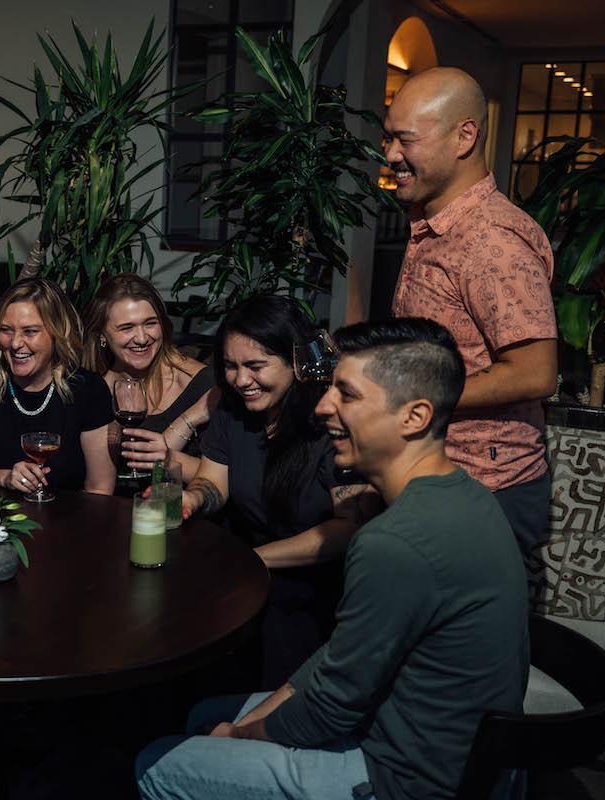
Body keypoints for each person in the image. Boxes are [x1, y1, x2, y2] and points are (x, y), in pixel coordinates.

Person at [137, 318, 530, 800]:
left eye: (347, 394)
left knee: (154, 765)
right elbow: (337, 664)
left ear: (415, 417)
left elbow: (329, 708)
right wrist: (245, 724)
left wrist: (239, 737)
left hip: (406, 777)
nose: (323, 406)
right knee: (202, 717)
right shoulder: (467, 493)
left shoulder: (395, 541)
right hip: (416, 733)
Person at [385, 67, 557, 557]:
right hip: (435, 470)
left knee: (461, 634)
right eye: (388, 138)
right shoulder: (433, 222)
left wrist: (413, 395)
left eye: (405, 140)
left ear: (465, 136)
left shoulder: (492, 243)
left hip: (485, 485)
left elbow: (535, 374)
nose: (391, 154)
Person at [180, 295, 380, 687]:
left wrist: (252, 561)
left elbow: (349, 527)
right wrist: (193, 499)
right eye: (231, 366)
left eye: (255, 366)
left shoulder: (330, 420)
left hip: (315, 590)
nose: (241, 381)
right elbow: (212, 481)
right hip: (250, 576)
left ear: (297, 361)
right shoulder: (234, 410)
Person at [0, 278, 116, 495]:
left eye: (30, 331)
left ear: (58, 332)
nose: (15, 343)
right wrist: (5, 477)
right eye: (6, 330)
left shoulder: (89, 389)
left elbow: (100, 487)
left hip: (69, 521)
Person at [81, 273, 216, 483]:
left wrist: (174, 457)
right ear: (102, 335)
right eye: (127, 328)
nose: (142, 338)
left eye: (150, 323)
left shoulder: (204, 384)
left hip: (180, 512)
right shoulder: (90, 390)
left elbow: (231, 477)